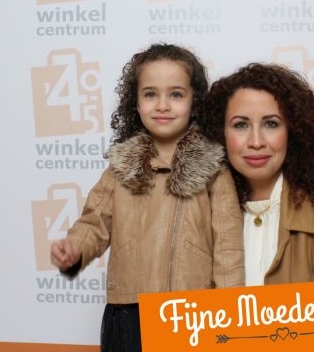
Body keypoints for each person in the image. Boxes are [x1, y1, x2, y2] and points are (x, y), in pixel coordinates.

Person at [50, 44, 245, 352]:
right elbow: (94, 221)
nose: (162, 105)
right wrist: (75, 247)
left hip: (191, 311)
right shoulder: (120, 167)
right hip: (129, 312)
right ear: (136, 103)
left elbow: (228, 247)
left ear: (194, 102)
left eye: (176, 94)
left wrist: (229, 307)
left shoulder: (213, 169)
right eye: (151, 94)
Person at [202, 63, 314, 286]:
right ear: (219, 132)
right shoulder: (198, 209)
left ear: (293, 131)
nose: (256, 142)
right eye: (240, 125)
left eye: (271, 124)